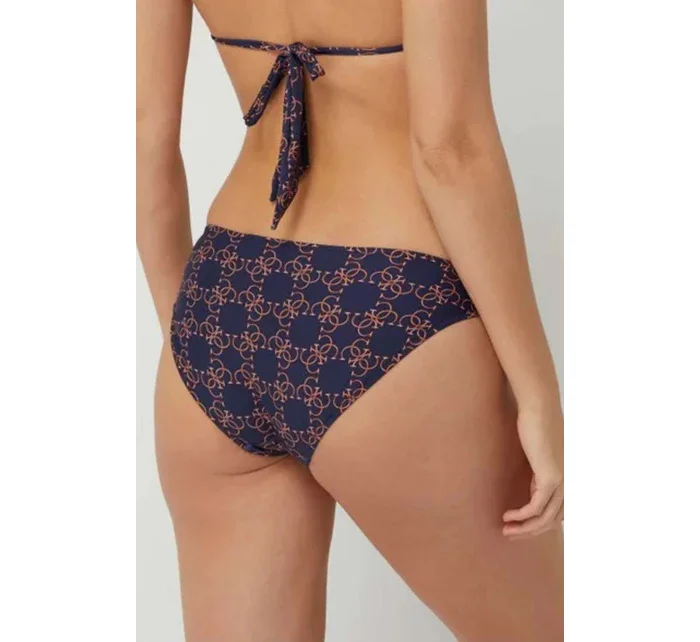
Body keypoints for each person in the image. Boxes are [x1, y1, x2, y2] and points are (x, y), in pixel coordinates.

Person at [136, 0, 564, 640]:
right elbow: (449, 149)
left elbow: (145, 143)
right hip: (383, 303)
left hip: (223, 298)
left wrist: (192, 346)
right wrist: (537, 392)